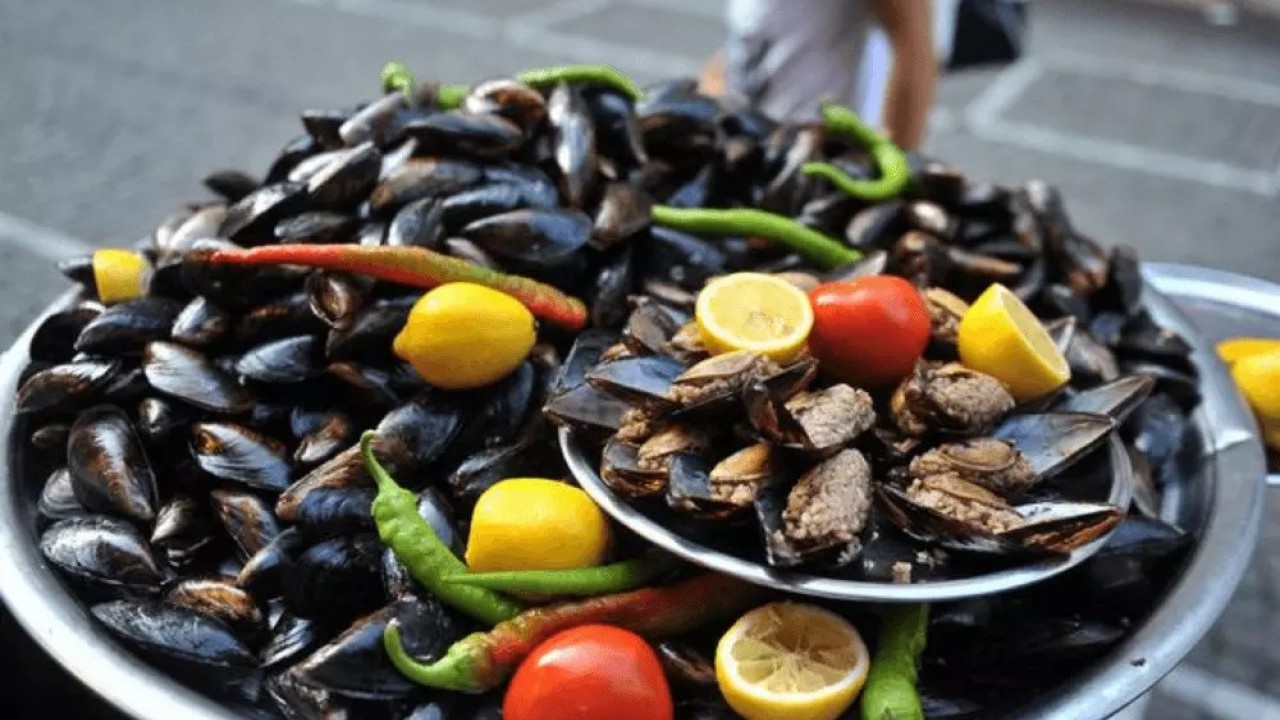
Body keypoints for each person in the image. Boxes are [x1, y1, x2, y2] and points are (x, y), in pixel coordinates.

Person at [698, 0, 947, 152]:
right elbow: (753, 37)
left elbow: (915, 49)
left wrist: (895, 167)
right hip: (739, 148)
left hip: (810, 159)